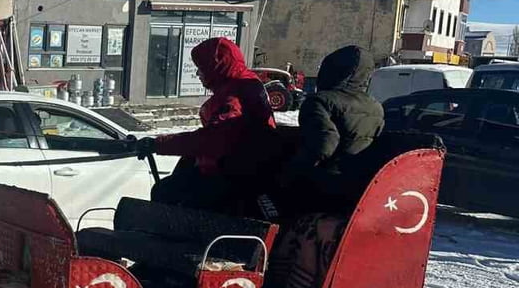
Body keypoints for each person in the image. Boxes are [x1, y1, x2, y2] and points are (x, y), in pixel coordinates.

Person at [136, 35, 280, 215]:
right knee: (170, 188)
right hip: (242, 170)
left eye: (201, 68)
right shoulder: (243, 85)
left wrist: (159, 144)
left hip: (236, 177)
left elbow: (213, 140)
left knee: (168, 195)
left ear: (215, 67)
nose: (198, 74)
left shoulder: (235, 96)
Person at [279, 44, 384, 213]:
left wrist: (292, 171)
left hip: (324, 183)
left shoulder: (320, 101)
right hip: (359, 184)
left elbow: (325, 142)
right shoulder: (375, 106)